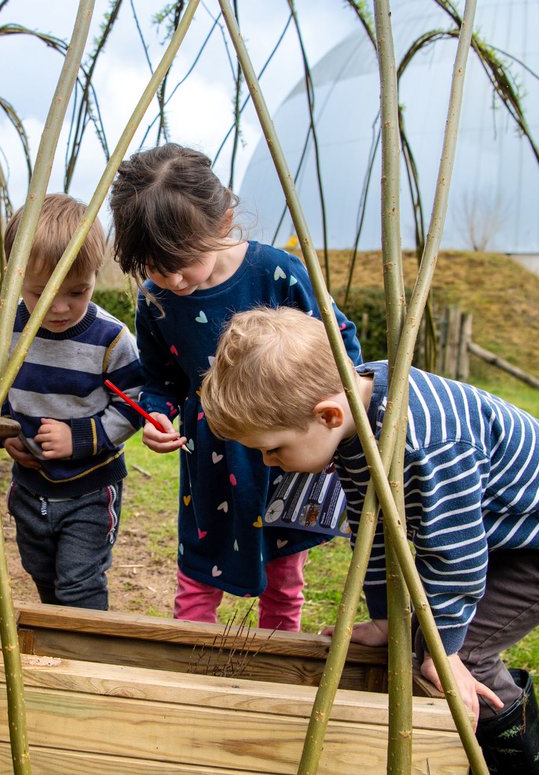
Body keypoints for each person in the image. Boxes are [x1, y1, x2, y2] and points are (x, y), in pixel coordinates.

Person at [200, 306, 539, 774]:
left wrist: (443, 650)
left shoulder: (425, 442)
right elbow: (377, 531)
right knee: (419, 639)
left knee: (455, 657)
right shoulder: (354, 419)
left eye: (273, 448)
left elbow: (456, 556)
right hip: (500, 528)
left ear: (327, 414)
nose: (268, 462)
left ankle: (524, 767)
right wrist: (384, 619)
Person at [109, 143, 361, 631]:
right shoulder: (155, 301)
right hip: (211, 463)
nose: (174, 278)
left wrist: (331, 419)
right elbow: (158, 379)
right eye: (157, 268)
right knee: (198, 573)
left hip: (288, 457)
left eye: (183, 260)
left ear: (222, 223)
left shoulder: (278, 273)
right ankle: (191, 668)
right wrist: (156, 416)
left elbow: (341, 345)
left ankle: (277, 669)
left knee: (285, 577)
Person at [0, 193, 144, 611]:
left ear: (96, 274)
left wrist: (81, 438)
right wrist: (8, 434)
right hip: (30, 483)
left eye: (77, 291)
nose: (60, 308)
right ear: (15, 276)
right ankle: (60, 637)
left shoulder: (111, 339)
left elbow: (134, 404)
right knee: (40, 571)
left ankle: (85, 657)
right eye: (41, 292)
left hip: (90, 488)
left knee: (79, 583)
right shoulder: (1, 326)